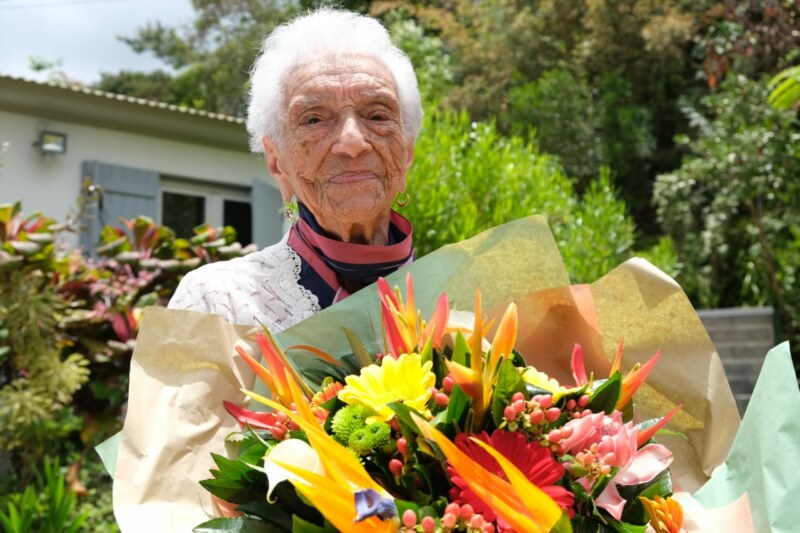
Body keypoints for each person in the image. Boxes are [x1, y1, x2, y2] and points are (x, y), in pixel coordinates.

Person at [168, 8, 422, 332]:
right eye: (314, 119)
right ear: (276, 160)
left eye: (377, 115)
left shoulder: (460, 300)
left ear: (407, 150)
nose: (353, 142)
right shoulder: (217, 303)